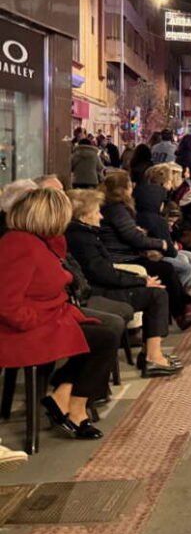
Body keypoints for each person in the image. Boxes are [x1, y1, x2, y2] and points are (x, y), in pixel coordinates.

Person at [0, 188, 118, 439]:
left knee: (104, 334)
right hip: (22, 331)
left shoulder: (40, 242)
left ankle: (64, 398)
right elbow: (6, 303)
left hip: (50, 319)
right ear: (49, 216)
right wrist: (37, 321)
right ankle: (73, 407)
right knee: (104, 338)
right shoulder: (19, 245)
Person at [65, 190, 180, 377]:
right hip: (97, 292)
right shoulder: (82, 238)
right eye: (96, 211)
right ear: (85, 215)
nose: (100, 216)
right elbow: (102, 273)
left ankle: (149, 353)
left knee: (155, 290)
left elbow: (105, 270)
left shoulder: (84, 233)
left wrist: (141, 281)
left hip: (100, 287)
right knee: (156, 295)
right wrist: (141, 281)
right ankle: (153, 357)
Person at [98, 170, 191, 330]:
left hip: (124, 253)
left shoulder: (113, 207)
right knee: (165, 269)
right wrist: (160, 244)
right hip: (122, 257)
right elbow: (132, 237)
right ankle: (184, 310)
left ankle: (186, 309)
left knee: (167, 268)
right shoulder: (116, 209)